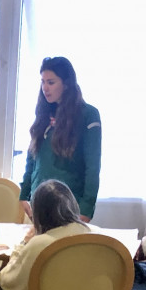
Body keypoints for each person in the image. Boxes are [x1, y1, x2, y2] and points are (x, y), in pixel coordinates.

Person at [19, 56, 101, 223]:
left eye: (51, 82)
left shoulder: (88, 115)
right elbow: (32, 158)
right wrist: (24, 195)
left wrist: (86, 210)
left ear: (66, 83)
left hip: (69, 207)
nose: (45, 88)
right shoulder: (43, 113)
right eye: (42, 82)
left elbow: (93, 167)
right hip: (38, 204)